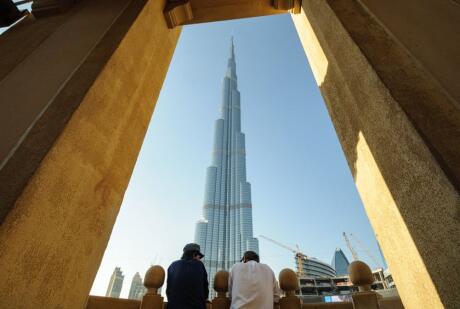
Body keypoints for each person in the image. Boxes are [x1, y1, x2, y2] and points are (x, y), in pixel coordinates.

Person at [166, 243, 209, 309]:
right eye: (199, 256)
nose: (200, 259)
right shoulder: (199, 265)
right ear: (194, 254)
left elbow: (168, 290)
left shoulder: (172, 265)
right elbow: (205, 291)